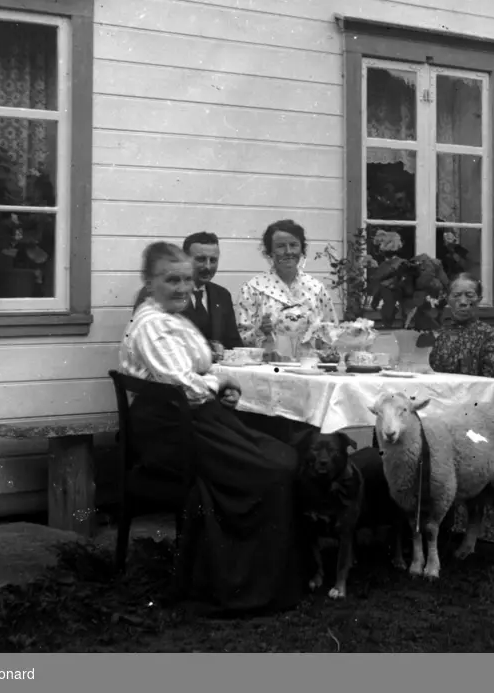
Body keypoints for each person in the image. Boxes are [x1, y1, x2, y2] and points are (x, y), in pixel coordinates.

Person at [119, 241, 304, 614]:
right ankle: (234, 585)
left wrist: (215, 386)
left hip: (195, 420)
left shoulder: (173, 317)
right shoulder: (152, 324)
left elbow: (197, 371)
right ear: (149, 282)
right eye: (172, 280)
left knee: (280, 454)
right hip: (171, 433)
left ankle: (258, 576)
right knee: (272, 468)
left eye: (187, 280)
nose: (183, 288)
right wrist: (217, 386)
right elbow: (182, 383)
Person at [427, 274, 494, 546]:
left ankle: (481, 524)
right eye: (457, 297)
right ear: (448, 300)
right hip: (446, 418)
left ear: (479, 300)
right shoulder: (441, 336)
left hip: (477, 422)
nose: (463, 302)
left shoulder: (490, 337)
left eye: (470, 296)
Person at [134, 232, 242, 357]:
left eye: (213, 260)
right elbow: (153, 344)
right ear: (184, 259)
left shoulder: (222, 295)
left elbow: (234, 345)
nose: (207, 266)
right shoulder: (156, 293)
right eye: (200, 259)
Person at [235, 219, 337, 349]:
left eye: (293, 245)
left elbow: (332, 335)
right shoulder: (253, 288)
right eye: (280, 246)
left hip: (308, 364)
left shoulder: (316, 289)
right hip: (268, 366)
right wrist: (259, 330)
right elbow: (240, 338)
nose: (288, 252)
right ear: (270, 252)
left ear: (302, 249)